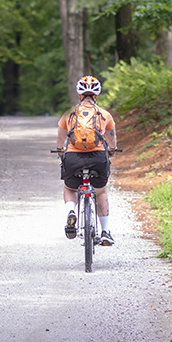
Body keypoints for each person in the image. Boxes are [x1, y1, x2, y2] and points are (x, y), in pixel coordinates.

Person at [56, 75, 117, 246]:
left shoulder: (69, 114)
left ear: (79, 95)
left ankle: (71, 212)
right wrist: (111, 151)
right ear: (96, 95)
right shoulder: (105, 114)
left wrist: (61, 152)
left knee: (70, 188)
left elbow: (60, 138)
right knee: (101, 191)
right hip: (97, 158)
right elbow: (111, 138)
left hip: (73, 158)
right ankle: (105, 232)